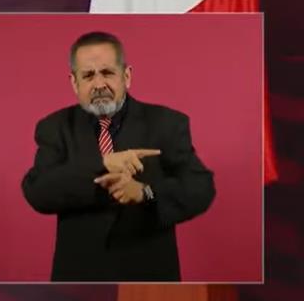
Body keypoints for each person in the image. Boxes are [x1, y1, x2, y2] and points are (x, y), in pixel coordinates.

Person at [20, 31, 215, 281]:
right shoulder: (55, 127)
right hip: (78, 278)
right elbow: (38, 191)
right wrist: (101, 164)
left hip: (150, 278)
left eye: (108, 73)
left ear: (126, 76)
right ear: (74, 83)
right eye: (88, 76)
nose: (99, 84)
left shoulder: (166, 123)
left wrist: (146, 192)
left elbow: (200, 187)